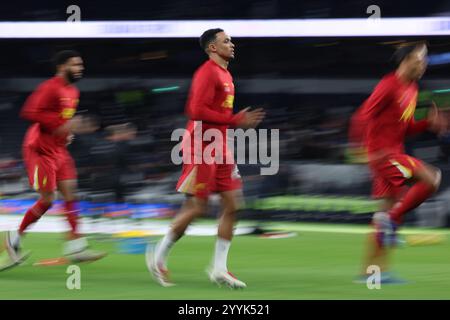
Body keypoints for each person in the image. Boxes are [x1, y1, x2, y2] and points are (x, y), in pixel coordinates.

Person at [147, 28, 265, 288]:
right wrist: (235, 120)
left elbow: (216, 115)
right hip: (201, 145)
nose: (232, 44)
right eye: (226, 41)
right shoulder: (207, 73)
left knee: (234, 205)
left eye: (231, 40)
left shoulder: (225, 74)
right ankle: (157, 257)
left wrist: (234, 125)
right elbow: (195, 110)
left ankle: (219, 269)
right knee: (197, 208)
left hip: (220, 145)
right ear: (213, 47)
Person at [349, 42, 447, 282]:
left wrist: (427, 124)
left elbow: (405, 128)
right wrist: (358, 151)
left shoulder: (412, 88)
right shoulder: (389, 85)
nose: (424, 64)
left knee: (384, 213)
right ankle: (391, 219)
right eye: (420, 58)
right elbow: (362, 116)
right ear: (406, 60)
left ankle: (372, 273)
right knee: (432, 178)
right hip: (383, 155)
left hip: (394, 152)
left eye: (425, 59)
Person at [3, 50, 106, 267]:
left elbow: (62, 119)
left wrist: (67, 132)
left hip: (59, 150)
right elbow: (30, 112)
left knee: (71, 194)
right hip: (40, 150)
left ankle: (77, 247)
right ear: (62, 67)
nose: (80, 68)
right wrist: (60, 126)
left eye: (81, 65)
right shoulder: (50, 87)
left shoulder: (73, 92)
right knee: (48, 199)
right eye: (75, 65)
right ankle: (14, 239)